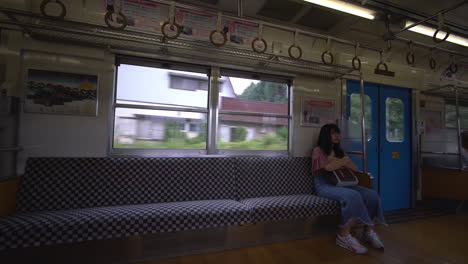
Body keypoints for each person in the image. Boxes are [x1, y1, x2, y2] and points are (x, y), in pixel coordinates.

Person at [311, 124, 386, 254]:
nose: (337, 136)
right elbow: (328, 169)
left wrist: (337, 160)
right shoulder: (318, 150)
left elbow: (355, 168)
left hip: (345, 182)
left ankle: (368, 231)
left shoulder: (340, 151)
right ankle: (343, 236)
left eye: (338, 133)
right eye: (334, 133)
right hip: (325, 184)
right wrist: (342, 161)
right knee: (353, 196)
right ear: (325, 135)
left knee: (372, 195)